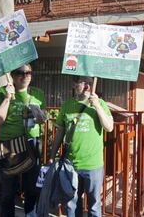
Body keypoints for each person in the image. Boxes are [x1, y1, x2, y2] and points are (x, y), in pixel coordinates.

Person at [49, 76, 114, 217]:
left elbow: (109, 127)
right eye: (83, 83)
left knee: (94, 206)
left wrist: (96, 105)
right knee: (72, 204)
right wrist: (52, 156)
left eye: (90, 83)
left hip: (93, 164)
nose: (87, 87)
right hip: (71, 164)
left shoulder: (100, 103)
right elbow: (60, 132)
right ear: (74, 85)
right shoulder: (67, 105)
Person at [0, 64, 46, 217]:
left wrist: (41, 118)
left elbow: (43, 119)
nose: (25, 76)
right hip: (9, 145)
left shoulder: (38, 94)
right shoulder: (3, 92)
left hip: (32, 143)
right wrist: (8, 98)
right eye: (20, 73)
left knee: (32, 190)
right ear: (13, 76)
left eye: (28, 72)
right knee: (7, 191)